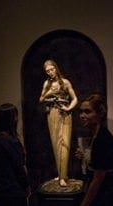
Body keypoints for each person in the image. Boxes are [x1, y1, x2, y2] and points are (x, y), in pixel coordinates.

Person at [39, 59, 78, 187]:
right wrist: (49, 92)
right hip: (52, 114)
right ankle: (62, 174)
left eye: (52, 69)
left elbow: (75, 99)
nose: (50, 72)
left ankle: (63, 177)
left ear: (56, 68)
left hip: (64, 113)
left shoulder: (65, 82)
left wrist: (68, 108)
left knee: (64, 143)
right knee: (56, 143)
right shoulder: (46, 84)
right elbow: (41, 99)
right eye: (47, 71)